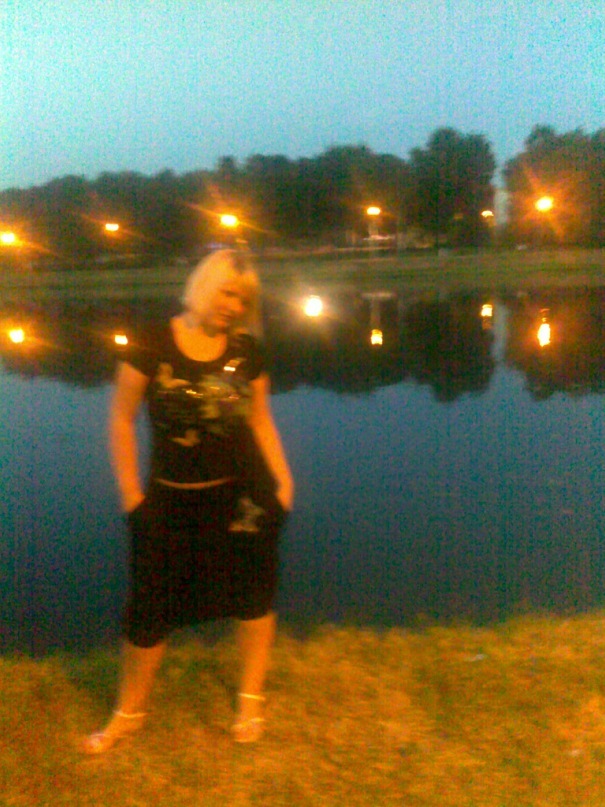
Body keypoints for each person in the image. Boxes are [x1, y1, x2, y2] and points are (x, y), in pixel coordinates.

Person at [84, 249, 293, 753]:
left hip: (244, 500)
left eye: (243, 300)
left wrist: (284, 483)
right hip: (169, 500)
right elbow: (121, 419)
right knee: (148, 611)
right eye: (228, 293)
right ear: (204, 287)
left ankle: (249, 700)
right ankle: (129, 713)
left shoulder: (246, 350)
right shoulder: (153, 342)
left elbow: (260, 420)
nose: (234, 306)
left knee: (253, 598)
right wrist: (130, 494)